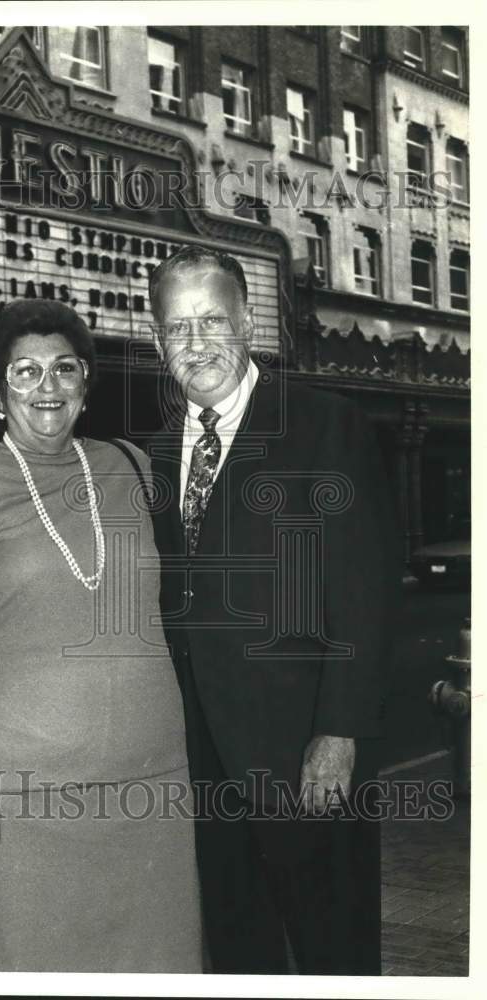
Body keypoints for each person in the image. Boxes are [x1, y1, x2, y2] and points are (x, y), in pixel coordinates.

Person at [0, 299, 201, 973]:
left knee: (153, 967)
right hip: (22, 796)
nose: (48, 386)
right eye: (26, 371)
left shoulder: (132, 468)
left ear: (87, 384)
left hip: (150, 784)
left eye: (65, 369)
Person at [146, 245, 400, 975]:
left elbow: (366, 592)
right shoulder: (157, 454)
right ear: (158, 339)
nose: (196, 344)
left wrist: (340, 732)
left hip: (305, 755)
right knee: (237, 951)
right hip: (202, 765)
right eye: (177, 327)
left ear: (249, 322)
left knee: (334, 951)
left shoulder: (324, 425)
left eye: (212, 321)